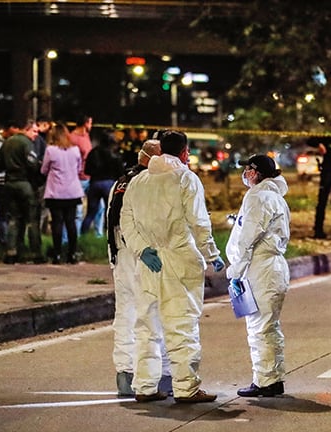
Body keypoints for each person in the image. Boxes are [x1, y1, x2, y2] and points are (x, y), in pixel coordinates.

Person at [120, 130, 225, 403]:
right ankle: (186, 387)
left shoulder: (139, 181)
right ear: (184, 152)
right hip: (179, 260)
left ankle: (144, 386)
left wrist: (142, 249)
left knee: (146, 325)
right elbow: (199, 222)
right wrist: (212, 254)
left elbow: (126, 220)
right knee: (181, 325)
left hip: (148, 262)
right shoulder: (186, 179)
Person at [107, 138, 170, 397]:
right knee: (156, 315)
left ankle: (125, 374)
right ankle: (160, 376)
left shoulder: (119, 183)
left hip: (121, 256)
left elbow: (112, 222)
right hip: (145, 254)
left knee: (125, 314)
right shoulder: (150, 183)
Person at [227, 155, 291, 397]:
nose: (244, 173)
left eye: (247, 169)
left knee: (259, 328)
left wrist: (235, 270)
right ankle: (272, 378)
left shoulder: (258, 197)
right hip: (271, 268)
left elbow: (248, 238)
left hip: (260, 270)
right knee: (268, 326)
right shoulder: (275, 198)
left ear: (254, 172)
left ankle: (265, 382)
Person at [0, 121, 44, 264]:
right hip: (24, 183)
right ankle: (36, 254)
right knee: (32, 221)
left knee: (13, 219)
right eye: (34, 131)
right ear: (26, 130)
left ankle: (11, 252)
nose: (36, 135)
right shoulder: (26, 143)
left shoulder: (8, 142)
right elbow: (33, 164)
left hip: (9, 183)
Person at [40, 123, 84, 264]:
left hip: (55, 192)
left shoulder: (50, 150)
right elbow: (79, 169)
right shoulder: (75, 150)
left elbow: (44, 169)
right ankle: (72, 254)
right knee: (71, 223)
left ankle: (57, 254)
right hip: (72, 191)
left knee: (57, 223)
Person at [81, 131, 123, 237]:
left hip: (95, 183)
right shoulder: (114, 155)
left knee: (90, 212)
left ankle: (82, 235)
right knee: (110, 212)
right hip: (109, 184)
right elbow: (120, 172)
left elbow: (87, 171)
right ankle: (110, 236)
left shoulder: (93, 152)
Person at [68, 115, 93, 233]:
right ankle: (74, 237)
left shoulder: (86, 136)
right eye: (90, 123)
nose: (91, 126)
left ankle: (95, 233)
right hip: (78, 178)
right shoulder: (72, 138)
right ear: (85, 123)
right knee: (77, 211)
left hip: (89, 177)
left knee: (99, 207)